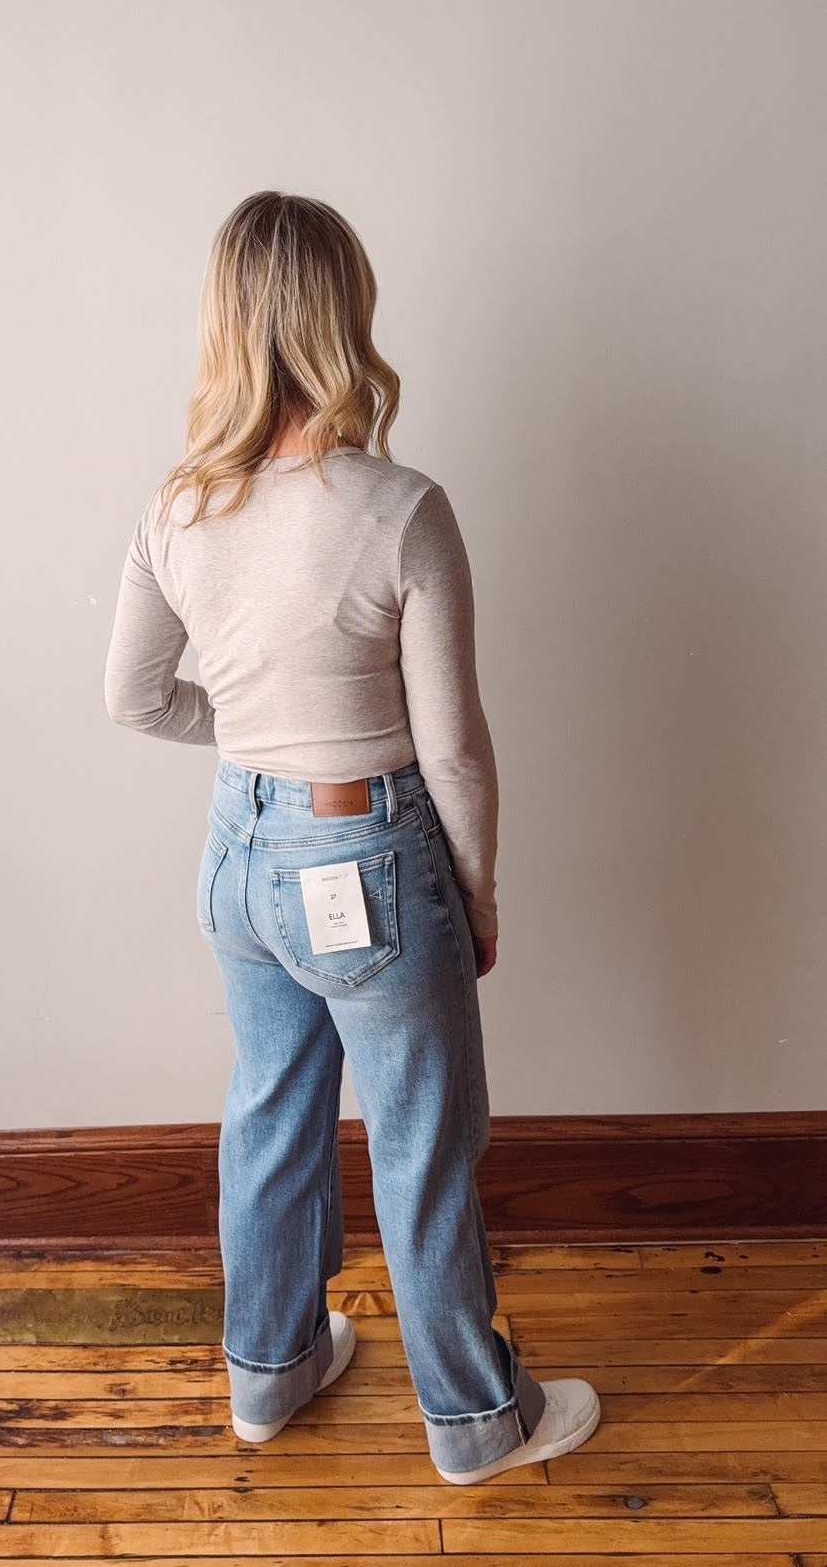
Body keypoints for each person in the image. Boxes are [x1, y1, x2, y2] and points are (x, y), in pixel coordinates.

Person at [104, 189, 600, 1483]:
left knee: (271, 1110)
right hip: (371, 857)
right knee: (420, 1135)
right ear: (344, 316)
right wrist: (476, 896)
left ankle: (268, 1377)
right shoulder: (399, 508)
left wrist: (261, 742)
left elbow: (134, 698)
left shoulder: (177, 509)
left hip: (238, 853)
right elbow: (449, 750)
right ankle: (475, 1423)